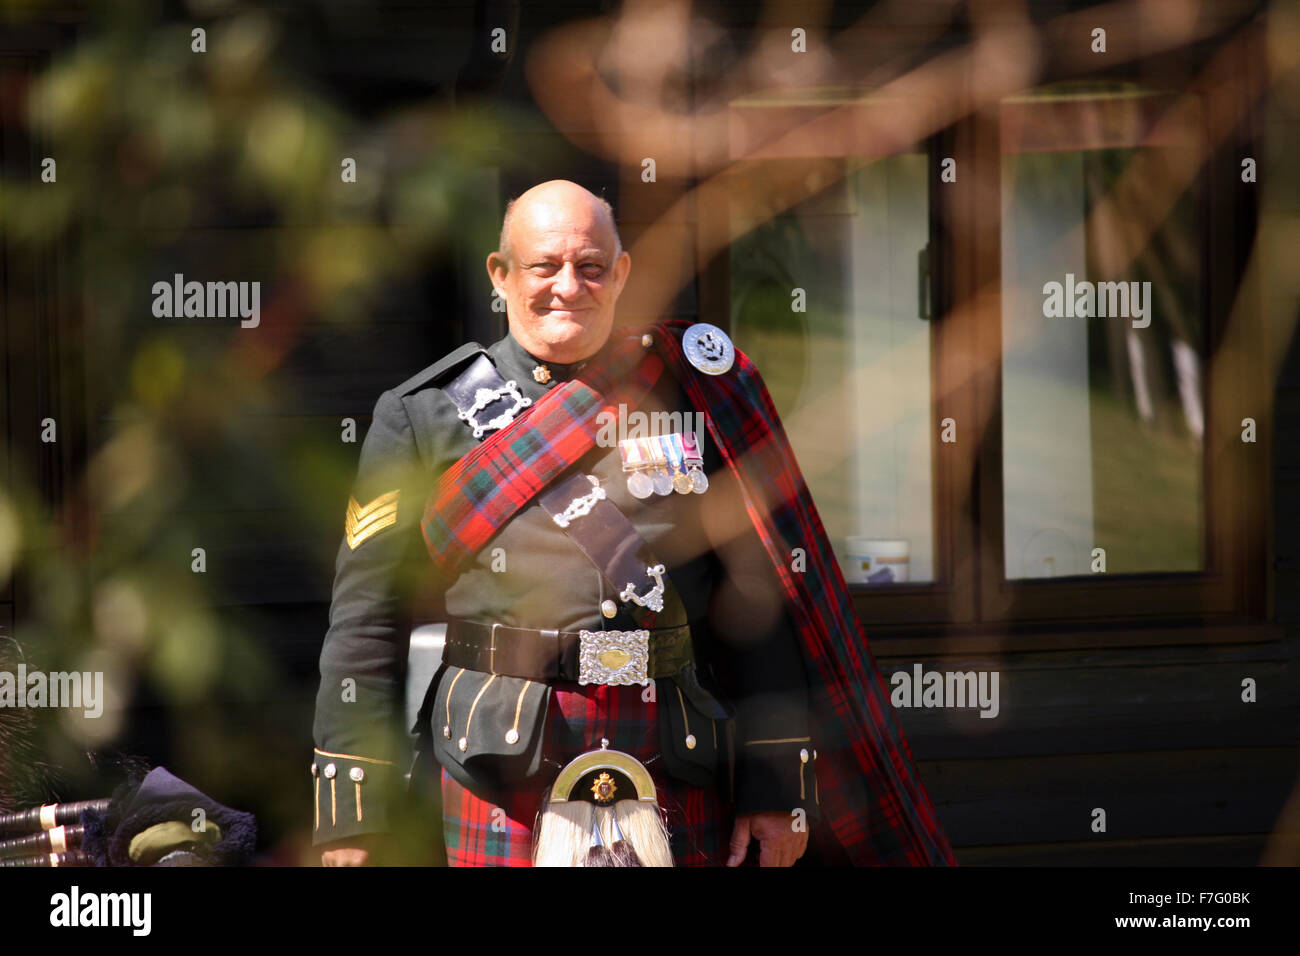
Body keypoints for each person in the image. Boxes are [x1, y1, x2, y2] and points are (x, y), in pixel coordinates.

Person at [311, 179, 954, 867]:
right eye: (544, 266)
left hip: (674, 750)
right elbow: (366, 621)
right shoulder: (423, 414)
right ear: (500, 276)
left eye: (591, 266)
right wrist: (355, 816)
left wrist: (774, 785)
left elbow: (758, 602)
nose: (569, 285)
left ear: (620, 275)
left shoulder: (692, 393)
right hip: (498, 761)